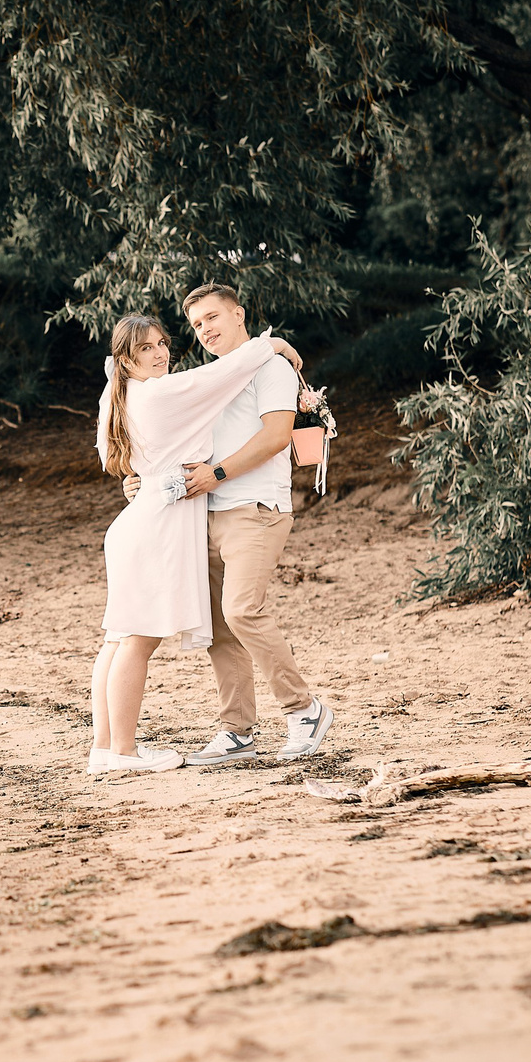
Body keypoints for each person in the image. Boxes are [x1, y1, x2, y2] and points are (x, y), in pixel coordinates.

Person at [88, 313, 287, 776]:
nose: (160, 354)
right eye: (146, 349)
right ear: (126, 360)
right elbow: (218, 375)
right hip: (155, 527)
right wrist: (272, 346)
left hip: (141, 520)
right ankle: (123, 751)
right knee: (137, 640)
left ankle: (105, 746)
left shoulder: (128, 393)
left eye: (162, 344)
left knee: (118, 640)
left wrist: (145, 479)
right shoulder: (158, 392)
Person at [156, 282, 334, 765]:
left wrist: (214, 475)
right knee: (217, 625)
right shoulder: (211, 377)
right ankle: (237, 731)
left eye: (212, 317)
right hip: (204, 512)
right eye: (196, 325)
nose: (205, 330)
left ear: (238, 315)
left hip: (255, 508)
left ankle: (305, 709)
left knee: (241, 610)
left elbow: (276, 437)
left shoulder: (270, 367)